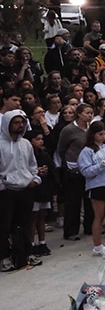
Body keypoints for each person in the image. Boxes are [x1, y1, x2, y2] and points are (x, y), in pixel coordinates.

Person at [0, 110, 43, 270]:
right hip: (6, 191)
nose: (19, 125)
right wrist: (3, 186)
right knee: (4, 226)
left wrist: (35, 180)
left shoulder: (26, 144)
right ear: (8, 124)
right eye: (16, 122)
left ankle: (27, 254)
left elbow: (32, 165)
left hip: (25, 189)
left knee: (25, 224)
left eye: (21, 123)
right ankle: (4, 258)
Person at [76, 121, 105, 259]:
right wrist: (104, 164)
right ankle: (97, 245)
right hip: (97, 186)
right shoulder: (87, 151)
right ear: (93, 135)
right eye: (100, 134)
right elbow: (86, 171)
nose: (103, 136)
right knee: (100, 217)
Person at [59, 103, 95, 240]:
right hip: (73, 169)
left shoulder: (91, 129)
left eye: (91, 113)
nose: (90, 115)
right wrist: (68, 163)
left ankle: (89, 227)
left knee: (89, 199)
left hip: (89, 168)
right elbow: (61, 148)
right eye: (87, 112)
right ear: (79, 114)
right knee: (73, 201)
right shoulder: (69, 130)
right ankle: (71, 231)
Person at [28, 128, 55, 256]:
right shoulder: (28, 154)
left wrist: (46, 170)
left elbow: (52, 168)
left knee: (41, 217)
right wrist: (36, 171)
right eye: (37, 139)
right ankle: (31, 244)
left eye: (41, 139)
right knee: (33, 217)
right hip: (33, 190)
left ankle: (42, 242)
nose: (40, 141)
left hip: (44, 189)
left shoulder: (44, 154)